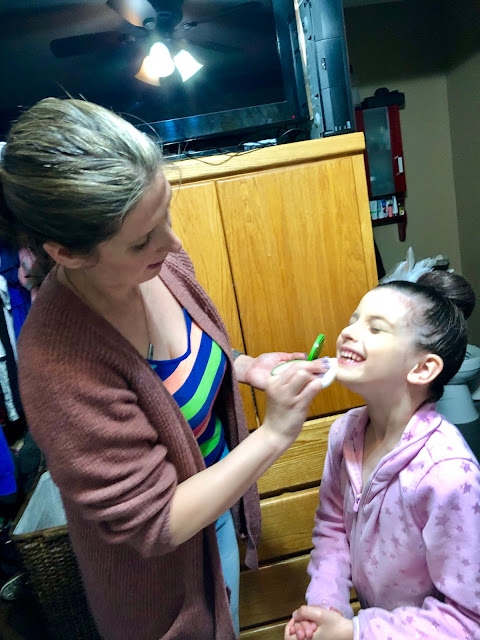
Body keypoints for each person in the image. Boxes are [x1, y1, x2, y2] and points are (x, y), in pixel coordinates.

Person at [0, 97, 329, 640]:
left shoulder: (161, 262)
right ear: (68, 253)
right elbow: (157, 523)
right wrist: (274, 434)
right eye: (142, 240)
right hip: (160, 585)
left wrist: (243, 367)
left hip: (216, 519)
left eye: (166, 214)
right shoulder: (58, 364)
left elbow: (173, 372)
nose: (172, 243)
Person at [285, 271, 480, 640]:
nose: (348, 332)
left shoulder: (448, 474)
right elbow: (333, 529)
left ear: (423, 368)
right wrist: (326, 609)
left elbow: (468, 621)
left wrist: (355, 632)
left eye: (375, 328)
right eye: (354, 319)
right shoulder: (345, 434)